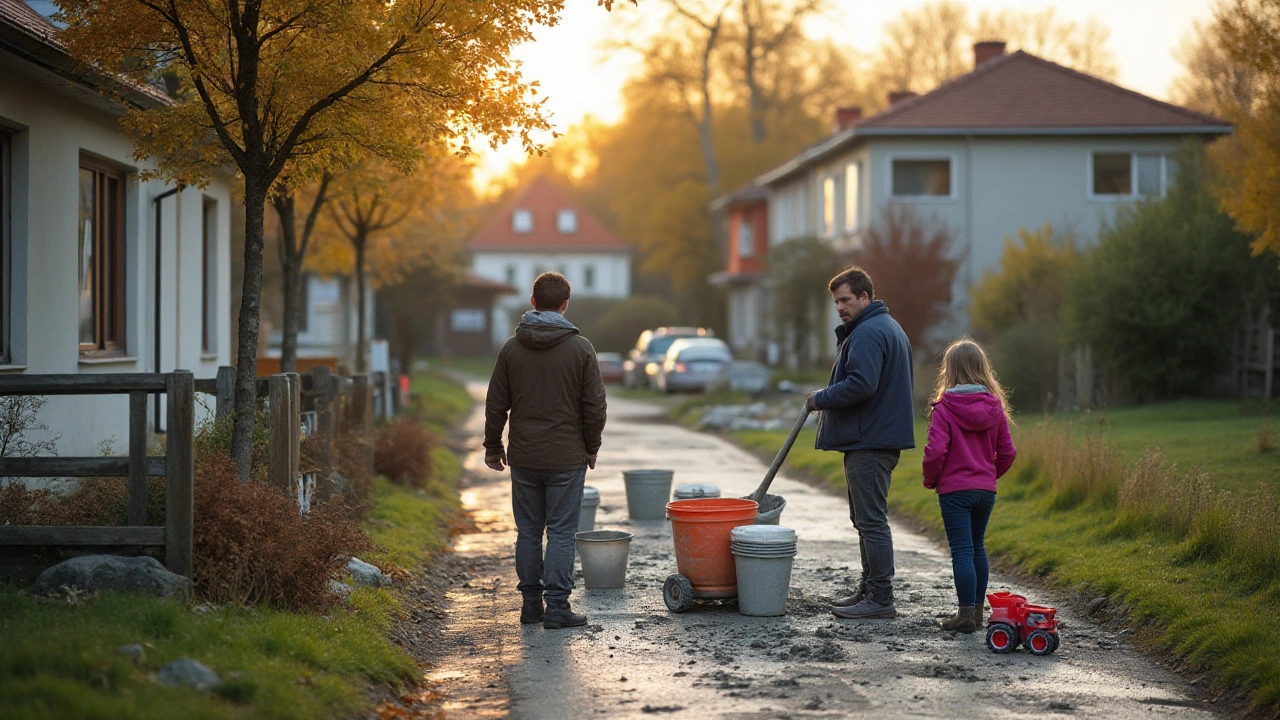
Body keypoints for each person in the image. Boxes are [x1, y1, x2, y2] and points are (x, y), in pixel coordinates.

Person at [484, 272, 607, 630]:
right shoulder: (581, 348)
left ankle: (529, 605)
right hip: (566, 458)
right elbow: (595, 406)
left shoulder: (511, 348)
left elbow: (496, 405)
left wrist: (494, 446)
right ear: (565, 305)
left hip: (524, 457)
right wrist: (591, 445)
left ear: (532, 301)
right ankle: (557, 607)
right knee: (562, 532)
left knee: (528, 530)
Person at [806, 267, 915, 620]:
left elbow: (862, 384)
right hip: (873, 436)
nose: (840, 307)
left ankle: (880, 597)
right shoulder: (885, 326)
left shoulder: (869, 332)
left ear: (865, 297)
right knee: (864, 518)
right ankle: (869, 590)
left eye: (846, 299)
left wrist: (820, 397)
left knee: (870, 521)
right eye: (836, 301)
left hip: (871, 438)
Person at [921, 338, 1017, 633]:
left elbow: (936, 451)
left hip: (955, 490)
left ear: (949, 370)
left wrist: (931, 478)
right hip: (985, 490)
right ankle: (976, 614)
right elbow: (1008, 451)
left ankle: (965, 615)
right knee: (977, 547)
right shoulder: (995, 407)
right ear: (981, 368)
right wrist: (988, 476)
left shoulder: (945, 407)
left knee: (962, 550)